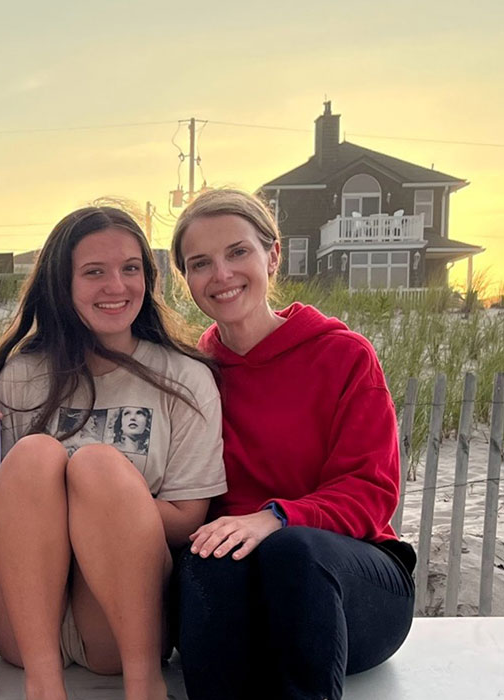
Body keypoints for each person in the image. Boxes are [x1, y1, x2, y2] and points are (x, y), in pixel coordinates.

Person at [0, 205, 227, 700]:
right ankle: (44, 689)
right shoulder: (22, 376)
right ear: (61, 284)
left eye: (130, 268)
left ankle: (144, 686)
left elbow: (189, 516)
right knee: (34, 458)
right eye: (94, 272)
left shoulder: (185, 378)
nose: (117, 286)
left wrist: (97, 504)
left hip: (116, 618)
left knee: (97, 467)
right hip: (18, 622)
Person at [169, 188, 416, 700]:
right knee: (208, 558)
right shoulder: (193, 374)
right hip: (241, 592)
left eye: (238, 252)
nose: (222, 275)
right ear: (187, 279)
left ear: (272, 255)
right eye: (200, 263)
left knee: (292, 548)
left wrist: (275, 516)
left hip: (349, 586)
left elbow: (371, 492)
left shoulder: (343, 356)